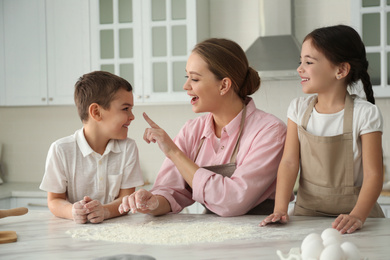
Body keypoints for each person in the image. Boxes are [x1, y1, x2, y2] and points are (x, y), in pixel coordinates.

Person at [118, 38, 287, 217]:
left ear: (224, 85)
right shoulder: (192, 130)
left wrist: (174, 153)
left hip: (261, 231)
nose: (186, 86)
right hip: (212, 231)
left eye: (195, 79)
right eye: (187, 77)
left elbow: (233, 201)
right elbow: (170, 191)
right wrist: (151, 202)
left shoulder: (270, 131)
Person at [260, 25, 385, 234]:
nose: (300, 68)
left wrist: (357, 216)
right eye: (300, 61)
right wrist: (280, 208)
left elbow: (374, 175)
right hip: (307, 215)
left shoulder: (365, 114)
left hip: (357, 220)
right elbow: (290, 162)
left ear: (341, 70)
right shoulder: (298, 109)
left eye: (308, 62)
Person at [40, 71, 144, 224]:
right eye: (125, 109)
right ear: (96, 112)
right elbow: (54, 200)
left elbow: (126, 199)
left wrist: (105, 211)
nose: (132, 116)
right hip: (73, 234)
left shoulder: (128, 148)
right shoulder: (61, 150)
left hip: (118, 231)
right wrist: (72, 211)